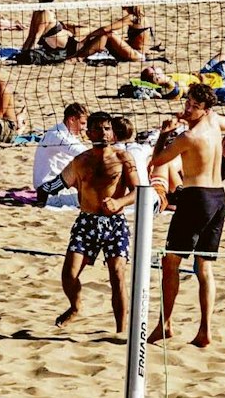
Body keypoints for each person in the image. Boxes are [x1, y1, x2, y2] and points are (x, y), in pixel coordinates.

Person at [147, 83, 225, 347]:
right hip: (218, 198)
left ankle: (165, 324)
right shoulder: (215, 121)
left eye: (194, 106)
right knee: (204, 266)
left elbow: (157, 161)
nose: (187, 108)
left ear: (205, 108)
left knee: (170, 262)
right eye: (187, 103)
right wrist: (199, 116)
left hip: (197, 198)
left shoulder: (188, 138)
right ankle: (204, 331)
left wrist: (165, 133)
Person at [55, 112, 138, 330]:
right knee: (69, 275)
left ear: (112, 132)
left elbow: (139, 191)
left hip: (114, 222)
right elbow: (61, 181)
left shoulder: (123, 158)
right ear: (88, 132)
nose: (103, 133)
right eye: (98, 129)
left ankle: (121, 330)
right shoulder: (80, 160)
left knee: (117, 274)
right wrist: (43, 191)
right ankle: (75, 306)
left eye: (107, 128)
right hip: (87, 222)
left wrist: (119, 202)